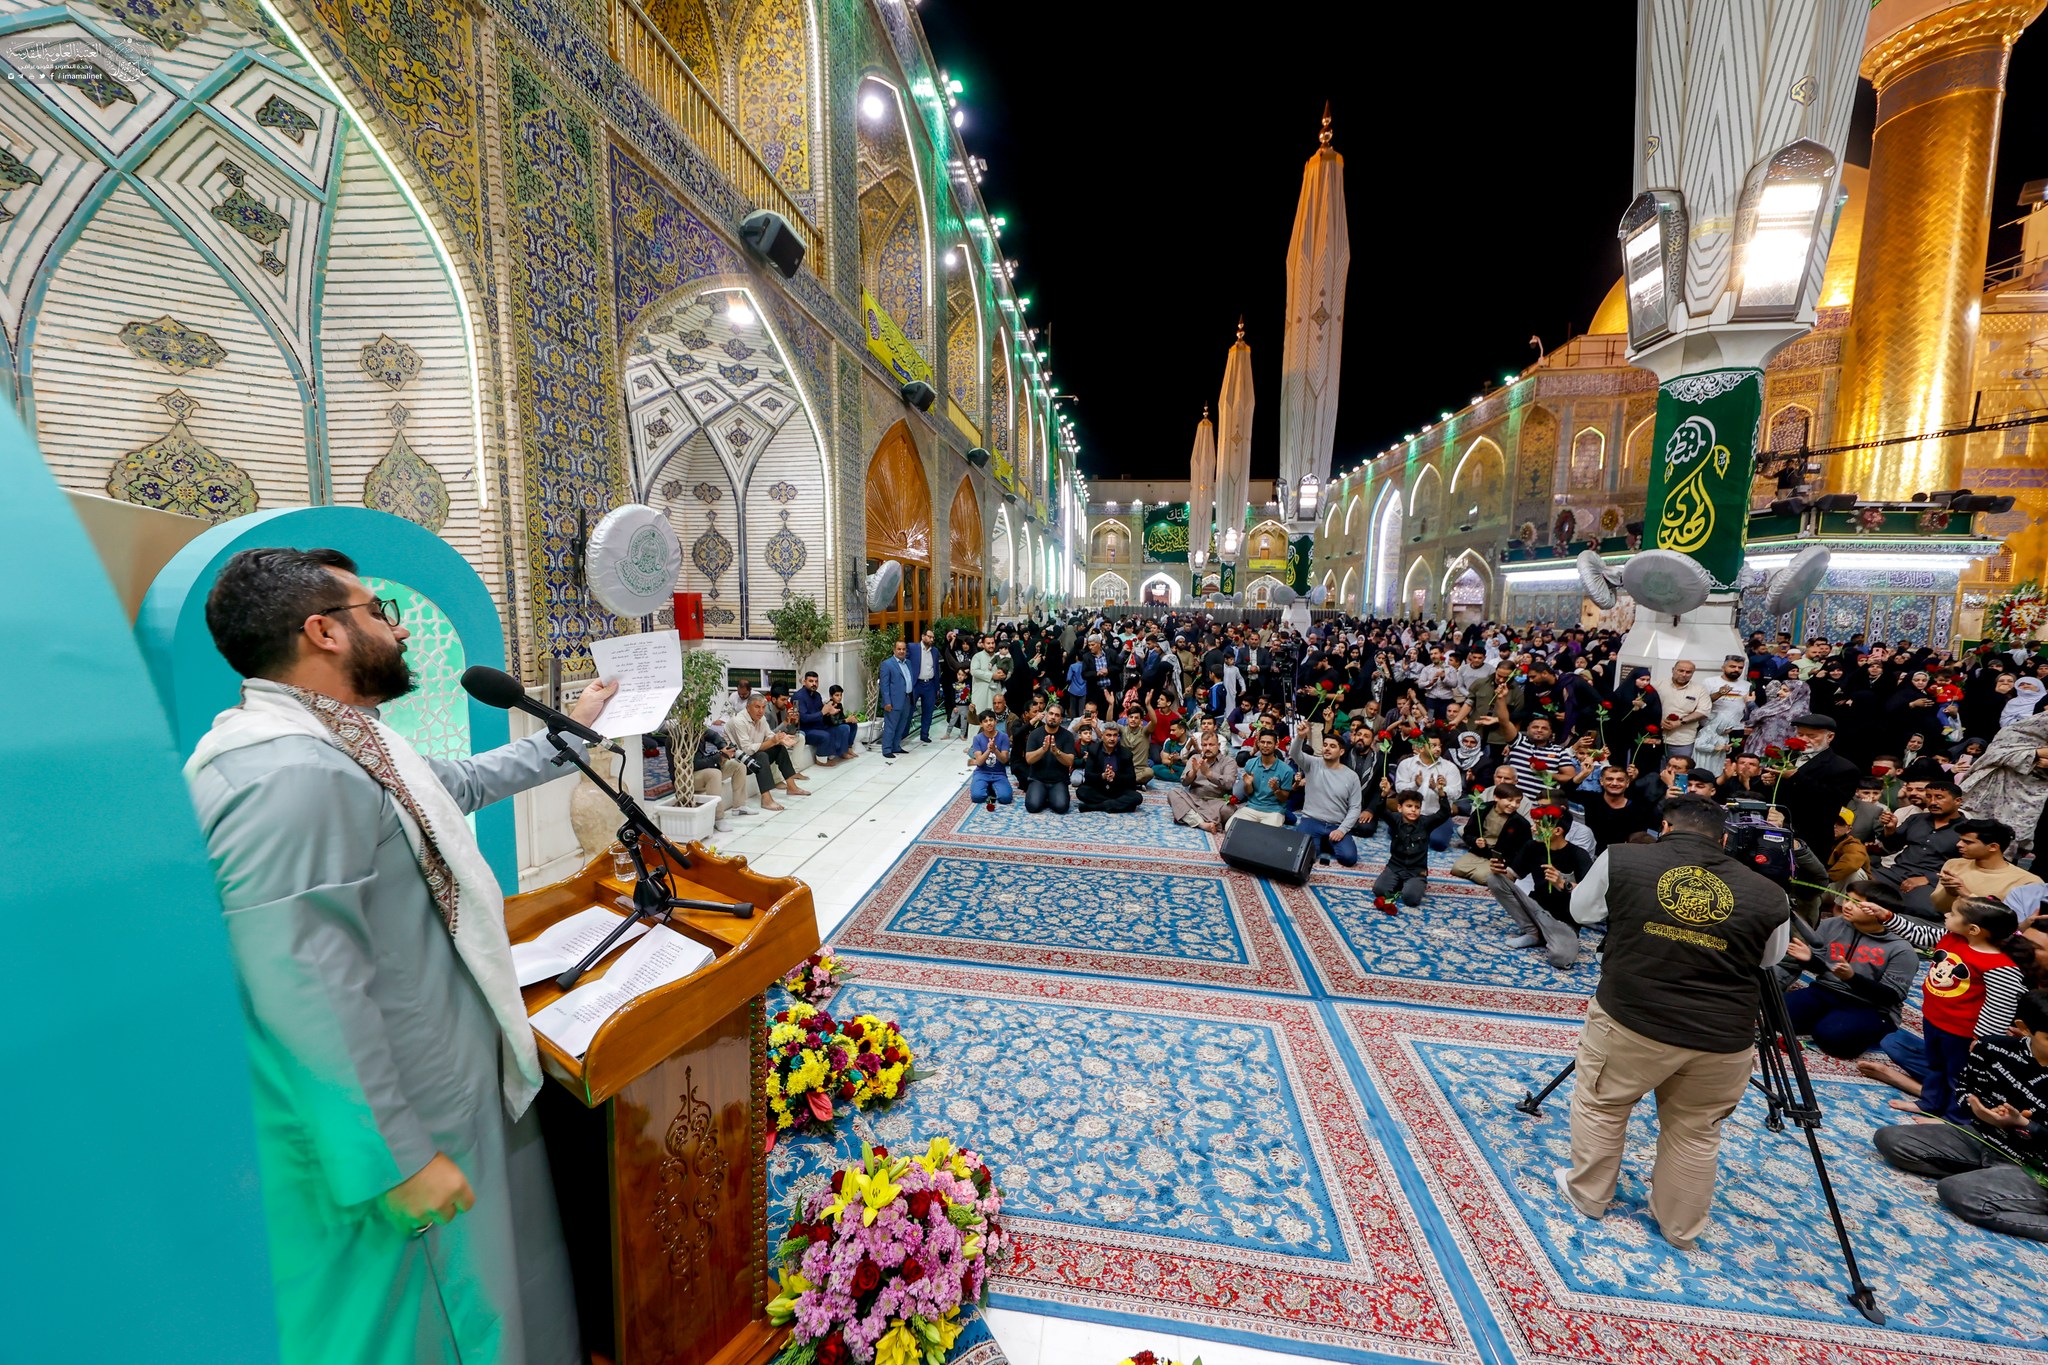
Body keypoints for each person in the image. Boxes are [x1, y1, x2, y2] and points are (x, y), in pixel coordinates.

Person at [184, 547, 607, 1365]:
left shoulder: (347, 740)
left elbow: (455, 783)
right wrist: (396, 1157)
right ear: (324, 631)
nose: (398, 624)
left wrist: (571, 731)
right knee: (442, 1316)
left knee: (494, 1288)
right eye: (378, 609)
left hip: (440, 1076)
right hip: (398, 1115)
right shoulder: (286, 774)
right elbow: (304, 982)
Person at [1559, 794, 1793, 1250]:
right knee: (1695, 1133)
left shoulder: (1623, 858)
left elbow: (1582, 913)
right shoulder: (1769, 892)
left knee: (1604, 1106)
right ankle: (1679, 1228)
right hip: (1724, 1036)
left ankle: (1589, 1196)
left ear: (1665, 829)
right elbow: (1772, 958)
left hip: (1633, 1019)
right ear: (1725, 839)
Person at [1871, 988, 2048, 1242]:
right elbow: (1965, 1089)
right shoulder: (1992, 1048)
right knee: (1890, 1139)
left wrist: (2025, 1125)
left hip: (2038, 1165)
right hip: (1986, 1137)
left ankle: (2004, 1188)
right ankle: (1992, 1180)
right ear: (2025, 1028)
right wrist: (1979, 1112)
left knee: (1957, 1193)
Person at [1859, 895, 2025, 1123]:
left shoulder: (2001, 967)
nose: (1946, 915)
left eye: (1954, 914)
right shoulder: (1952, 937)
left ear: (1974, 929)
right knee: (1936, 1066)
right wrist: (1886, 916)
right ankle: (1930, 1103)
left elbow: (1999, 1007)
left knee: (1960, 1076)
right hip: (1935, 1020)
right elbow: (1919, 933)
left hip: (1963, 1034)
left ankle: (1954, 1119)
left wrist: (1982, 1041)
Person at [1776, 897, 1918, 1058]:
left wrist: (1852, 978)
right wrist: (1809, 959)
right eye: (1847, 899)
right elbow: (1821, 969)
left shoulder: (1902, 950)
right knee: (1775, 1015)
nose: (1847, 905)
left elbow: (1890, 996)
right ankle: (1827, 1020)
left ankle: (1848, 1026)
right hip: (1826, 991)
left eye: (1856, 902)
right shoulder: (1832, 924)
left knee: (1835, 1040)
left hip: (1869, 1006)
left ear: (1880, 911)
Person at [1488, 805, 1594, 968]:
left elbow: (1589, 894)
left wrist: (1562, 884)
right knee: (1494, 879)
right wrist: (1500, 870)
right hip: (1535, 909)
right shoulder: (1532, 846)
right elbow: (1512, 876)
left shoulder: (1578, 854)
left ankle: (1547, 935)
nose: (1533, 828)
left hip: (1564, 920)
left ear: (1557, 831)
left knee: (1561, 958)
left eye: (1538, 825)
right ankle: (1534, 932)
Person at [1867, 776, 1967, 917]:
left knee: (1924, 910)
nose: (1932, 802)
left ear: (1958, 801)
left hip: (1931, 880)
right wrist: (1890, 829)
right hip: (1896, 873)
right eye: (1929, 797)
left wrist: (1929, 878)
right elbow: (1891, 847)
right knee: (1859, 887)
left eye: (1939, 797)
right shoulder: (1916, 819)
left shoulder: (1967, 830)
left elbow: (1967, 866)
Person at [1771, 712, 1862, 862]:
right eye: (1800, 734)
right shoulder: (1787, 756)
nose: (1804, 740)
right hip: (1775, 828)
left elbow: (1832, 801)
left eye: (1812, 736)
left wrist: (1797, 777)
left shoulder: (1844, 768)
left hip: (1810, 836)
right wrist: (1767, 781)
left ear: (1830, 737)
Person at [1287, 729, 1365, 866]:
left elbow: (1355, 807)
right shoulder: (1312, 763)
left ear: (1341, 752)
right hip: (1311, 820)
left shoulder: (1352, 776)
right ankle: (1320, 841)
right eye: (1325, 745)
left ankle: (1325, 841)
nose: (1327, 748)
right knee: (1304, 856)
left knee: (1349, 859)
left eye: (1332, 746)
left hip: (1336, 824)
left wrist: (1342, 830)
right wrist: (1300, 736)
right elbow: (1294, 753)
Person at [1932, 819, 2043, 912]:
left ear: (1993, 847)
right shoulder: (1954, 864)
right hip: (1946, 926)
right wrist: (1949, 893)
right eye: (1960, 840)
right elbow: (1938, 906)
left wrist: (1967, 895)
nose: (1959, 845)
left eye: (1968, 842)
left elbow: (2014, 924)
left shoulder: (2028, 882)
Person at [728, 693, 810, 810]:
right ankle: (766, 799)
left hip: (752, 755)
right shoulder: (739, 721)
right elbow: (746, 749)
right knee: (762, 756)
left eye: (763, 707)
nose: (761, 711)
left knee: (779, 748)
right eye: (757, 707)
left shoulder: (761, 718)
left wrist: (781, 739)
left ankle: (791, 787)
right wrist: (773, 741)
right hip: (739, 761)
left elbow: (769, 735)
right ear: (748, 708)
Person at [1372, 787, 1450, 910]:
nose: (1413, 810)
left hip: (1416, 871)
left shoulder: (1425, 823)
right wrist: (1384, 794)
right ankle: (1400, 882)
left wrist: (1441, 794)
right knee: (1379, 890)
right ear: (1399, 808)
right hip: (1395, 867)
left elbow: (1444, 814)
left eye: (1417, 807)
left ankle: (1416, 884)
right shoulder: (1395, 820)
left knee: (1410, 899)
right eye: (1409, 806)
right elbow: (1381, 810)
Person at [1451, 784, 1528, 885]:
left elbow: (1524, 850)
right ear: (1496, 797)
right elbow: (1468, 833)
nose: (1514, 805)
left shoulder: (1520, 823)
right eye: (1510, 800)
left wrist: (1509, 864)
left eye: (1517, 802)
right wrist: (1475, 841)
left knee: (1483, 877)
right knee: (1457, 869)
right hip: (1478, 852)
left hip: (1499, 859)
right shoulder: (1482, 810)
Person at [1167, 733, 1238, 833]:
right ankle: (1203, 823)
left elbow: (1229, 783)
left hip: (1217, 801)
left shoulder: (1228, 761)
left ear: (1218, 745)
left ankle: (1189, 816)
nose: (1207, 748)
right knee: (1173, 793)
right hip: (1195, 799)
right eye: (1204, 745)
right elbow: (1184, 782)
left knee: (1228, 811)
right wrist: (1193, 772)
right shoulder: (1195, 758)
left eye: (1211, 745)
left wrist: (1208, 774)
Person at [1580, 765, 1657, 851]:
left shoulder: (1638, 810)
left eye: (1620, 780)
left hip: (1622, 857)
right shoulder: (1591, 800)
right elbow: (1565, 793)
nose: (1614, 783)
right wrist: (1583, 774)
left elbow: (1639, 840)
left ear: (1627, 783)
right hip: (1589, 852)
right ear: (1601, 781)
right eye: (1610, 779)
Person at [1230, 729, 1297, 828]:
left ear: (1276, 745)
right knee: (1230, 828)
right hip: (1252, 807)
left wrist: (1276, 789)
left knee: (1266, 836)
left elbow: (1284, 798)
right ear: (1258, 744)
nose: (1265, 745)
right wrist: (1248, 785)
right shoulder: (1250, 763)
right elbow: (1249, 793)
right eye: (1262, 742)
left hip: (1274, 810)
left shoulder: (1287, 770)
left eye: (1269, 743)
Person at [1076, 720, 1143, 813]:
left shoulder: (1126, 753)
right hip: (1100, 789)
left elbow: (1131, 779)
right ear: (1102, 736)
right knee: (1081, 791)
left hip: (1118, 790)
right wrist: (1102, 776)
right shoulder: (1094, 750)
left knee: (1137, 797)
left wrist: (1115, 776)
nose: (1112, 739)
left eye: (1115, 735)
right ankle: (1118, 805)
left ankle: (1095, 807)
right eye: (1108, 735)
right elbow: (1088, 775)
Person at [1021, 705, 1076, 814]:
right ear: (1046, 715)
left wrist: (1057, 752)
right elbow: (1029, 759)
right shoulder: (1035, 734)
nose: (1053, 717)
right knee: (1032, 807)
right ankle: (1045, 796)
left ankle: (1050, 797)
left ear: (1061, 719)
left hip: (1058, 781)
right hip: (1038, 779)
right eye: (1051, 714)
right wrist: (1043, 750)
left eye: (1057, 715)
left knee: (1061, 808)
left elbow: (1070, 761)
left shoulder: (1068, 736)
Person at [690, 728, 750, 830]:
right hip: (688, 776)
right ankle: (718, 818)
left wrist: (725, 748)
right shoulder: (680, 735)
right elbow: (695, 764)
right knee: (714, 773)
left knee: (738, 765)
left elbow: (714, 736)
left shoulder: (699, 728)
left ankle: (739, 806)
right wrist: (719, 757)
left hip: (704, 768)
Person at [794, 670, 856, 764]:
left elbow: (823, 712)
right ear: (804, 682)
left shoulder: (817, 695)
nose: (814, 684)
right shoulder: (798, 696)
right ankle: (821, 760)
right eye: (811, 681)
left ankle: (840, 753)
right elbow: (804, 718)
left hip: (820, 726)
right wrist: (823, 713)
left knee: (843, 728)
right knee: (825, 735)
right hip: (807, 729)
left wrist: (830, 712)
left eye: (816, 681)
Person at [1658, 659, 1713, 760]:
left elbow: (1704, 711)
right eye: (1681, 670)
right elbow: (1646, 707)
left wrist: (1680, 722)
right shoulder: (1658, 685)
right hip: (1656, 737)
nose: (1684, 674)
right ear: (1673, 670)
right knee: (1655, 771)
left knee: (1680, 771)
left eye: (1688, 672)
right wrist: (1659, 721)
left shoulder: (1699, 689)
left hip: (1683, 740)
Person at [965, 712, 1013, 811]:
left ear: (995, 722)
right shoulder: (977, 738)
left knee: (1006, 798)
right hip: (982, 773)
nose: (989, 723)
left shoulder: (1004, 737)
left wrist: (995, 750)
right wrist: (988, 750)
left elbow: (1004, 760)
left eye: (991, 720)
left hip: (999, 773)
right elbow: (979, 762)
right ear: (981, 724)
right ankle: (988, 787)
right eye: (985, 721)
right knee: (977, 797)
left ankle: (992, 787)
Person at [878, 638, 914, 761]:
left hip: (907, 699)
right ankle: (887, 749)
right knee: (891, 726)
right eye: (899, 649)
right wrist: (887, 702)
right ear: (894, 650)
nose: (901, 651)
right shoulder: (887, 664)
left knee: (902, 725)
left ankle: (896, 746)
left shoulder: (908, 663)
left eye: (903, 649)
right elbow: (884, 685)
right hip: (893, 702)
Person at [907, 628, 944, 744]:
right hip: (916, 683)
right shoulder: (913, 648)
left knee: (928, 710)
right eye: (929, 637)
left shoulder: (935, 651)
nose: (932, 639)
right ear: (923, 636)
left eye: (933, 637)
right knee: (909, 710)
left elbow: (937, 669)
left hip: (930, 684)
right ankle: (903, 734)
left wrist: (937, 687)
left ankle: (924, 734)